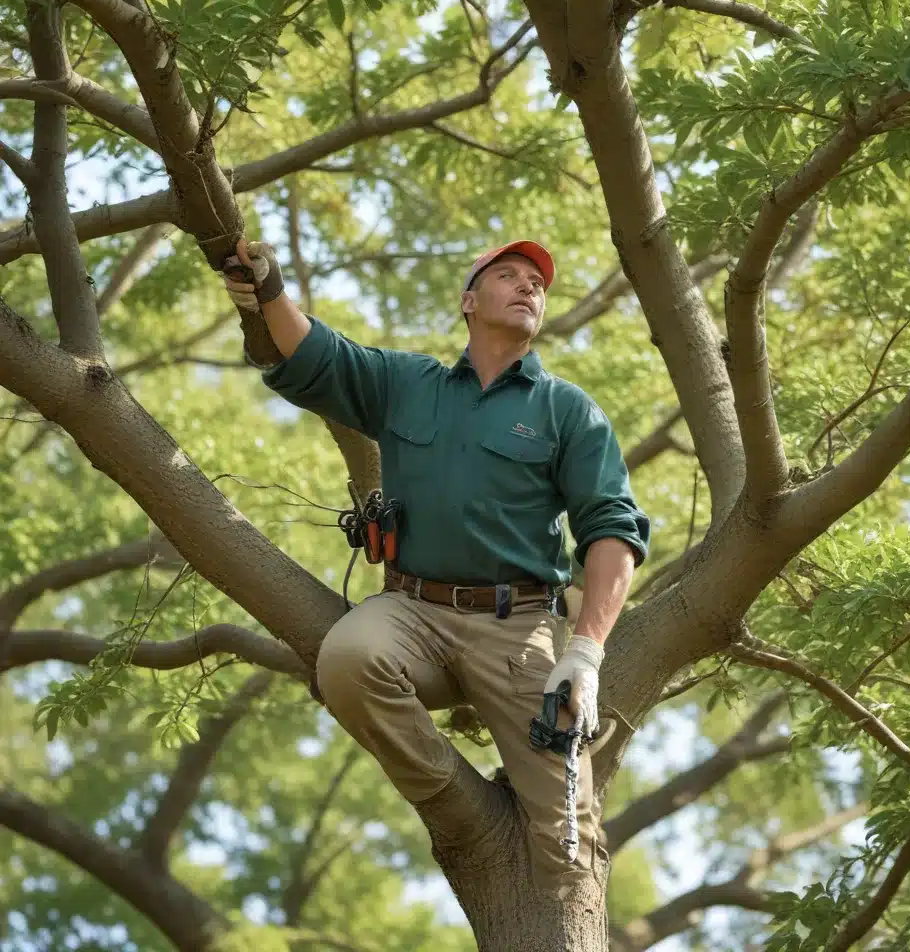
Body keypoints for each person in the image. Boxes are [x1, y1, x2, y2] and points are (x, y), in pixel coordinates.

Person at [219, 238, 650, 890]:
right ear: (469, 301)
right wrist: (269, 288)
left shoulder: (567, 410)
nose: (529, 286)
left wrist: (585, 655)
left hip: (520, 629)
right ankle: (458, 807)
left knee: (568, 839)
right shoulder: (408, 384)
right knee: (346, 659)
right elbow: (315, 351)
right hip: (412, 611)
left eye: (537, 282)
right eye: (508, 276)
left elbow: (613, 533)